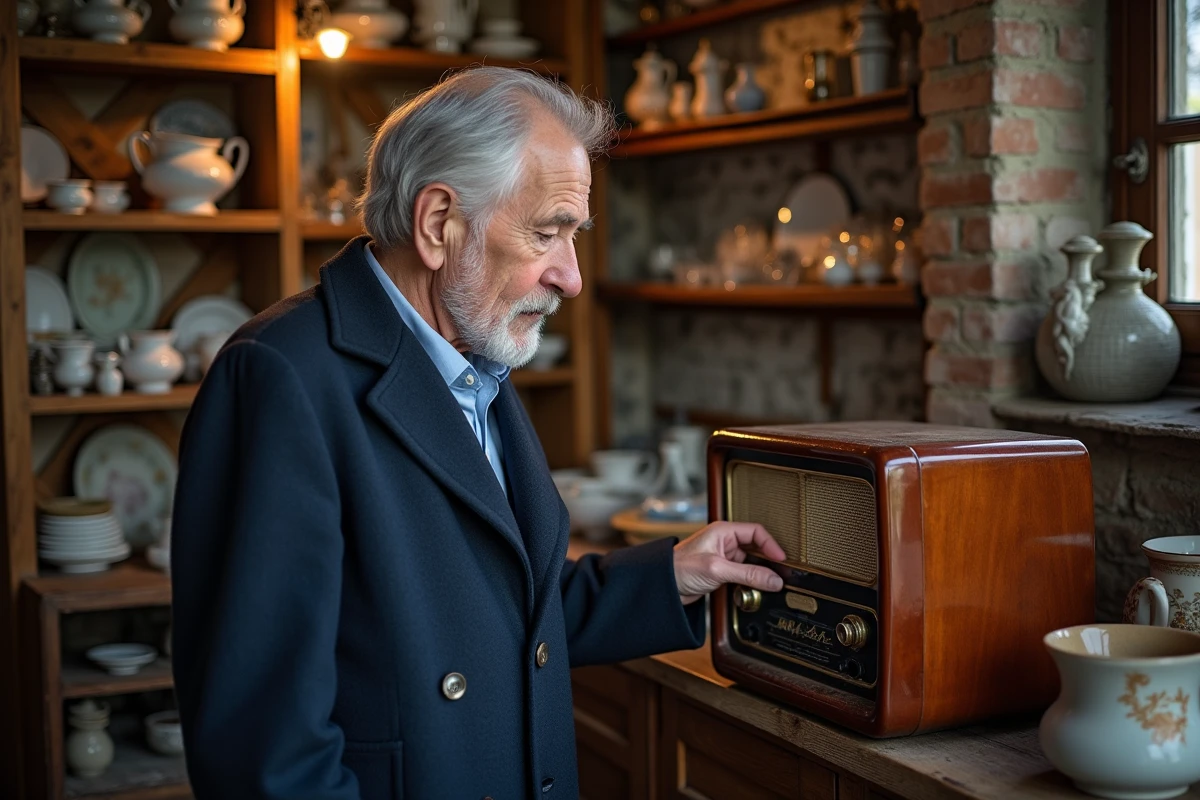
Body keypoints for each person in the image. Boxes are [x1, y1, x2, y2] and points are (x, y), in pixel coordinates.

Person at [170, 67, 785, 800]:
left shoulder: (472, 355)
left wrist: (672, 576)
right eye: (548, 233)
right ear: (438, 225)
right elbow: (264, 759)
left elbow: (501, 613)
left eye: (574, 236)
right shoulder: (278, 378)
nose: (572, 277)